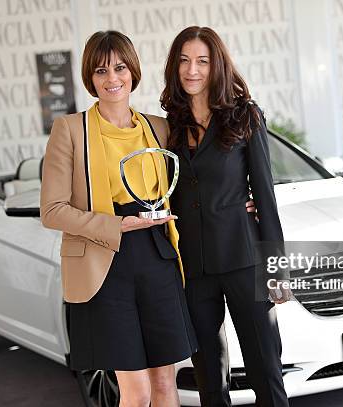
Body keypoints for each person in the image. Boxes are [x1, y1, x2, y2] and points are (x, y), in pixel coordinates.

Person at [40, 30, 197, 407]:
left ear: (133, 71)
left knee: (165, 386)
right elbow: (52, 210)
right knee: (136, 391)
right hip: (106, 263)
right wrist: (117, 226)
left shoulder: (159, 128)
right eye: (101, 71)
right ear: (90, 79)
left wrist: (244, 199)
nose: (112, 79)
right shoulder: (70, 130)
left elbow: (192, 184)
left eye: (120, 68)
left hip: (159, 257)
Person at [160, 26, 291, 407]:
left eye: (202, 60)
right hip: (194, 268)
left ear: (217, 65)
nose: (192, 70)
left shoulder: (245, 115)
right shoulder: (170, 125)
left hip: (244, 260)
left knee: (265, 369)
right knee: (209, 378)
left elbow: (265, 197)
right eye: (184, 60)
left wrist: (277, 267)